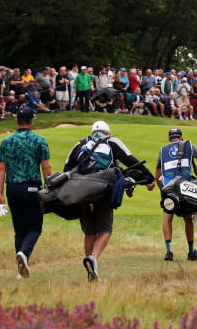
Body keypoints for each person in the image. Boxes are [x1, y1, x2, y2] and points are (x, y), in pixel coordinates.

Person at [63, 120, 152, 281]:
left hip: (82, 194)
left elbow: (67, 169)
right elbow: (131, 160)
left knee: (89, 232)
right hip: (102, 191)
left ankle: (90, 265)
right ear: (107, 132)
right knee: (105, 230)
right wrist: (149, 178)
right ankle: (93, 259)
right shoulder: (112, 141)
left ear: (92, 133)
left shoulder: (81, 144)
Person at [0, 106, 52, 279]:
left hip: (12, 188)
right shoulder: (39, 140)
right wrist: (51, 187)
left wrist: (0, 194)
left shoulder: (6, 142)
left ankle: (21, 271)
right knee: (34, 228)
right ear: (32, 121)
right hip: (32, 188)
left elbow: (1, 168)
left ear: (17, 121)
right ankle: (24, 255)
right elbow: (46, 166)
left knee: (20, 230)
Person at [155, 127, 197, 261]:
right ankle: (190, 252)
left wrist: (163, 189)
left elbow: (157, 176)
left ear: (169, 139)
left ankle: (169, 251)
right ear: (181, 137)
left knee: (167, 217)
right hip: (184, 187)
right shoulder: (188, 145)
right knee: (188, 217)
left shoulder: (162, 150)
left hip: (168, 188)